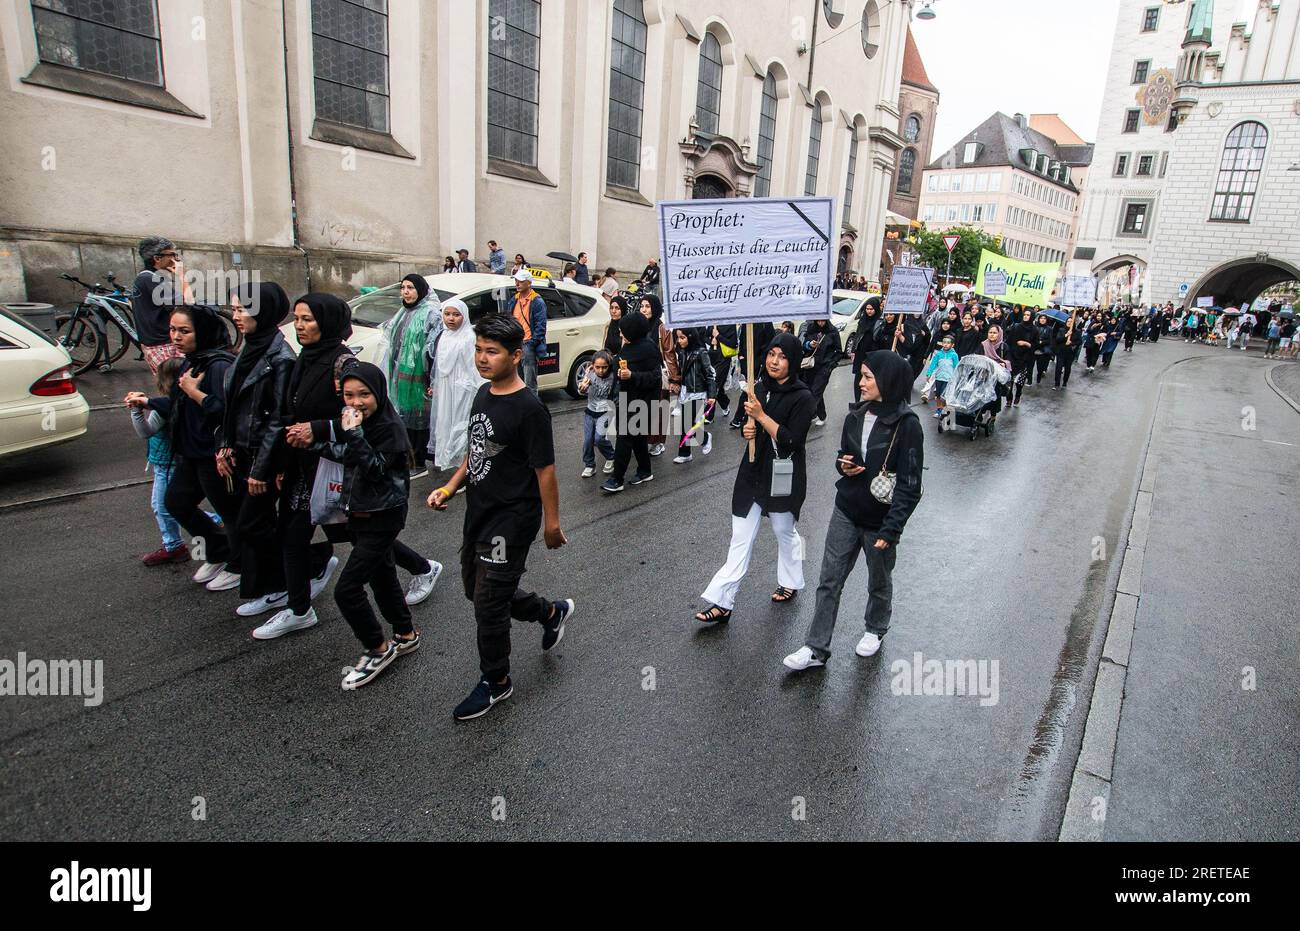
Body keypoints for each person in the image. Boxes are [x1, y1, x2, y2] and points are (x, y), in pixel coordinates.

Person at [427, 315, 572, 721]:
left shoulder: (530, 410)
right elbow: (476, 453)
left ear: (516, 355)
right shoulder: (483, 395)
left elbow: (546, 470)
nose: (482, 358)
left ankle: (496, 682)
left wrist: (552, 523)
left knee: (489, 604)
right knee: (479, 591)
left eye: (492, 351)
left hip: (512, 519)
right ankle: (549, 612)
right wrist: (450, 487)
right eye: (478, 349)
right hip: (480, 512)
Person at [783, 351, 924, 670]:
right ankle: (815, 648)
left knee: (879, 578)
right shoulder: (855, 415)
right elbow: (844, 455)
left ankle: (876, 629)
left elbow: (910, 485)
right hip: (846, 509)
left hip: (880, 520)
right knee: (829, 579)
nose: (860, 383)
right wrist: (844, 465)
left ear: (886, 381)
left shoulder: (907, 425)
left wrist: (891, 530)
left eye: (867, 377)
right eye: (860, 375)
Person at [695, 333, 816, 623]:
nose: (774, 361)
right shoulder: (758, 388)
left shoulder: (803, 397)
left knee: (784, 532)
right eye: (771, 354)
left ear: (793, 361)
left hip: (783, 474)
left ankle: (791, 580)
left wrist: (761, 418)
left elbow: (791, 440)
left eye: (782, 356)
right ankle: (722, 601)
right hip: (752, 471)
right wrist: (747, 431)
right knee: (740, 538)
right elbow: (745, 427)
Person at [126, 305, 240, 591]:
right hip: (190, 452)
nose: (176, 336)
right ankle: (218, 550)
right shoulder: (192, 361)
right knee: (175, 503)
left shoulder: (219, 365)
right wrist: (148, 402)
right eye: (173, 330)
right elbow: (181, 405)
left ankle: (240, 565)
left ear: (202, 331)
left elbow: (226, 413)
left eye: (184, 330)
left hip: (214, 454)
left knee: (230, 512)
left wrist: (194, 392)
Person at [333, 363, 422, 691]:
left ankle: (377, 648)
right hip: (360, 515)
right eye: (348, 395)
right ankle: (405, 634)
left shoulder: (389, 429)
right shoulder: (360, 423)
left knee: (346, 590)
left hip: (382, 517)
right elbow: (347, 455)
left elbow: (374, 470)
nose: (356, 402)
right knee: (382, 577)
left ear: (379, 394)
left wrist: (353, 434)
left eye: (364, 395)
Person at [217, 282, 296, 619]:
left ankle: (292, 579)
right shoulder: (250, 348)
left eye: (242, 310)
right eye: (234, 309)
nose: (236, 316)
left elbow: (278, 419)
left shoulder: (280, 358)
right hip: (244, 451)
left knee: (252, 523)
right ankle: (270, 584)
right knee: (255, 521)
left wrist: (262, 469)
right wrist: (225, 444)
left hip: (264, 458)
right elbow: (233, 404)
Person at [129, 357, 191, 566]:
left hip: (166, 463)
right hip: (173, 461)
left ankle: (175, 546)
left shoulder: (161, 408)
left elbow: (145, 432)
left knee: (163, 506)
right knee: (171, 504)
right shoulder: (181, 401)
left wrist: (135, 410)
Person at [381, 274, 442, 478]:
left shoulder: (431, 314)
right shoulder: (403, 312)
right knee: (404, 417)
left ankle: (418, 461)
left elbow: (435, 349)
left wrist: (431, 379)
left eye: (411, 288)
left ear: (421, 290)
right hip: (400, 376)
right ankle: (407, 458)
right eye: (403, 287)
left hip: (419, 378)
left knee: (418, 419)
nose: (406, 292)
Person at [601, 313, 660, 493]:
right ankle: (645, 470)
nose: (620, 334)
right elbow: (619, 364)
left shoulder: (649, 349)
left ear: (632, 331)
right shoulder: (628, 346)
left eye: (623, 331)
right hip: (627, 399)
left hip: (643, 402)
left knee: (624, 438)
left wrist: (633, 375)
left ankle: (617, 479)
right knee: (638, 438)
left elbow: (655, 377)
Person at [426, 299, 485, 472]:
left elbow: (474, 367)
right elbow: (439, 365)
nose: (451, 318)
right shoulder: (444, 335)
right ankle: (455, 466)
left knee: (462, 427)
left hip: (463, 390)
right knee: (446, 424)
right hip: (446, 389)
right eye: (447, 314)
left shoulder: (469, 337)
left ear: (464, 316)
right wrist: (436, 384)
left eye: (456, 314)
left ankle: (468, 469)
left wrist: (476, 390)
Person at [131, 236, 191, 374]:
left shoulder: (145, 277)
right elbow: (187, 303)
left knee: (172, 387)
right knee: (180, 387)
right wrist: (182, 275)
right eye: (172, 254)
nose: (176, 259)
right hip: (163, 345)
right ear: (157, 258)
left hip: (154, 343)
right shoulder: (151, 279)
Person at [640, 294, 678, 457]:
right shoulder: (639, 326)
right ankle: (644, 439)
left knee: (659, 409)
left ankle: (658, 442)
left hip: (658, 374)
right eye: (642, 306)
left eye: (647, 306)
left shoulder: (662, 328)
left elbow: (669, 353)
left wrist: (674, 379)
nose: (644, 309)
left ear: (655, 308)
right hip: (642, 374)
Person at [672, 328, 715, 464]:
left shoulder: (701, 352)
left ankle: (705, 438)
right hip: (685, 391)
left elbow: (710, 374)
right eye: (678, 338)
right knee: (686, 424)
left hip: (698, 392)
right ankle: (685, 453)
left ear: (690, 337)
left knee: (687, 425)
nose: (680, 341)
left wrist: (712, 394)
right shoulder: (683, 351)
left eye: (683, 337)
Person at [578, 350, 618, 477]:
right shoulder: (590, 373)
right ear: (593, 365)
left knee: (599, 439)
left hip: (605, 411)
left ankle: (611, 456)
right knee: (588, 440)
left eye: (604, 367)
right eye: (598, 367)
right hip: (590, 411)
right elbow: (583, 389)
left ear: (609, 366)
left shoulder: (613, 377)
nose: (601, 370)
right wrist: (582, 388)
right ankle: (589, 465)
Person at [510, 269, 547, 395]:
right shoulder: (514, 299)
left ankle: (532, 409)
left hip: (527, 344)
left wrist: (531, 343)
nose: (517, 284)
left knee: (530, 382)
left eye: (520, 281)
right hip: (516, 343)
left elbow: (541, 326)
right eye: (516, 281)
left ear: (529, 283)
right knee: (517, 379)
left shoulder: (537, 301)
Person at [798, 317, 841, 425]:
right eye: (818, 321)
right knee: (812, 390)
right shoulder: (811, 329)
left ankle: (805, 417)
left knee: (816, 391)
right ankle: (821, 415)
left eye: (823, 321)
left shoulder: (833, 331)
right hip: (811, 366)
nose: (821, 323)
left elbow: (839, 351)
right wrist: (809, 345)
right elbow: (804, 345)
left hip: (825, 366)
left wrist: (831, 365)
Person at [1005, 309, 1039, 406]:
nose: (1025, 316)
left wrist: (1026, 343)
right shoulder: (1016, 326)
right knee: (1010, 380)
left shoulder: (1034, 330)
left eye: (1028, 315)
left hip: (1026, 359)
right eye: (1025, 314)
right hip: (1012, 356)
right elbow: (1009, 340)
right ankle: (1009, 398)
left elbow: (1036, 345)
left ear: (1032, 317)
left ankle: (1018, 394)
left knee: (1019, 381)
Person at [922, 335, 958, 419]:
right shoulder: (938, 354)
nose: (945, 344)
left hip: (948, 379)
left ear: (952, 345)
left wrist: (956, 378)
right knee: (938, 395)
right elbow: (933, 364)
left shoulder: (954, 355)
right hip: (939, 378)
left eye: (948, 343)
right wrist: (929, 374)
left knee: (943, 396)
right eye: (944, 342)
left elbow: (956, 367)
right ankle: (939, 409)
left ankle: (944, 410)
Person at [1053, 315, 1077, 389]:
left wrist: (1071, 343)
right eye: (1068, 321)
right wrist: (1066, 335)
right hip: (1061, 352)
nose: (1069, 323)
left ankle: (1065, 382)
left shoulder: (1076, 331)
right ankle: (1056, 383)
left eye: (1071, 322)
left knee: (1067, 369)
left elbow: (1079, 341)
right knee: (1058, 368)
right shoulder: (1061, 330)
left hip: (1070, 353)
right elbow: (1058, 339)